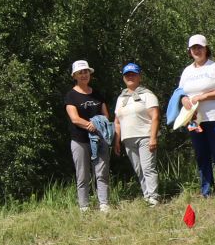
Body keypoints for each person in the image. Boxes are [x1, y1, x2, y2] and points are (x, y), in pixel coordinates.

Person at [178, 35, 215, 196]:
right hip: (194, 120)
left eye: (200, 47)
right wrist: (184, 99)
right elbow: (180, 93)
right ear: (189, 51)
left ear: (206, 48)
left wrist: (203, 96)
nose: (197, 50)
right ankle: (206, 191)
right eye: (193, 48)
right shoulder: (187, 71)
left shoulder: (214, 67)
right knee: (201, 155)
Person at [62, 59, 112, 212]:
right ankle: (84, 206)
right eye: (80, 72)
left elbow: (106, 115)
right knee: (82, 175)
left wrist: (100, 125)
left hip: (100, 138)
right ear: (75, 76)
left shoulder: (97, 94)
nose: (84, 75)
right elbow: (74, 119)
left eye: (86, 72)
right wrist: (89, 125)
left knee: (101, 172)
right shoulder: (71, 96)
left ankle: (104, 204)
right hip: (80, 140)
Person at [113, 63, 161, 206]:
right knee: (138, 169)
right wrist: (116, 141)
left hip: (145, 136)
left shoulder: (147, 94)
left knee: (148, 168)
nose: (130, 77)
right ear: (123, 78)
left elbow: (155, 117)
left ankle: (154, 197)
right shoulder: (121, 98)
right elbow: (117, 121)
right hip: (127, 139)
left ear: (139, 76)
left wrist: (153, 137)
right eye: (127, 75)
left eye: (133, 74)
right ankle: (147, 196)